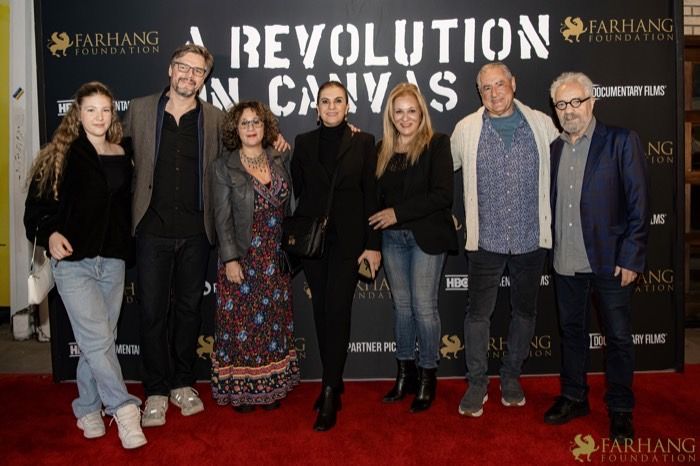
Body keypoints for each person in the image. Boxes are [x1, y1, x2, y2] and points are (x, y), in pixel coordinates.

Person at [24, 82, 146, 449]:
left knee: (101, 339)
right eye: (91, 109)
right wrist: (50, 234)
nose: (99, 116)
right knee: (96, 337)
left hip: (112, 261)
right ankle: (124, 409)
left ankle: (89, 407)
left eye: (105, 109)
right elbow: (35, 211)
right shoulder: (60, 154)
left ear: (113, 113)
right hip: (73, 262)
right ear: (77, 113)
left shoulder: (123, 153)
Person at [543, 72, 649, 443]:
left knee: (617, 337)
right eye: (561, 104)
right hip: (565, 261)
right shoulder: (553, 149)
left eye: (576, 101)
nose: (569, 110)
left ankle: (620, 408)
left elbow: (639, 203)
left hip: (610, 261)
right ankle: (574, 397)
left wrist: (632, 256)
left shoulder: (620, 141)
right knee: (571, 333)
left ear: (592, 102)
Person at [122, 43, 225, 427]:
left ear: (204, 78)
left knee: (188, 311)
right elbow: (110, 150)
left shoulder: (214, 119)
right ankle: (156, 390)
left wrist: (277, 143)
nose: (189, 75)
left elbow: (241, 155)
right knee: (152, 313)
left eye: (198, 71)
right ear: (170, 68)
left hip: (196, 232)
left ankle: (183, 382)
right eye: (183, 66)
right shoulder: (140, 110)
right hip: (151, 230)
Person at [451, 62, 559, 417]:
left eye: (499, 84)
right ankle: (477, 383)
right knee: (477, 315)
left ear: (513, 83)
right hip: (485, 241)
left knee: (524, 312)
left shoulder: (541, 124)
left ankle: (511, 377)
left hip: (531, 239)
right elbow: (438, 166)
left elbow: (570, 155)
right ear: (479, 92)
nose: (494, 93)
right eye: (486, 87)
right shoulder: (466, 129)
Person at [290, 80, 381, 431]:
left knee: (339, 310)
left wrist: (373, 244)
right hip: (313, 244)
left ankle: (329, 389)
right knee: (321, 311)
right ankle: (334, 380)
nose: (331, 107)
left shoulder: (364, 142)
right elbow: (297, 189)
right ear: (317, 108)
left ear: (347, 107)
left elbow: (371, 195)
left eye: (338, 101)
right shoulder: (303, 143)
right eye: (325, 101)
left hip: (349, 243)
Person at [369, 83, 457, 412]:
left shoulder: (437, 144)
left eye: (411, 111)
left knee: (424, 307)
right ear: (390, 116)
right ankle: (405, 375)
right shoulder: (382, 149)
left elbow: (442, 195)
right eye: (399, 112)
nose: (405, 118)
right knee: (402, 308)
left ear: (421, 114)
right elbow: (374, 200)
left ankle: (427, 376)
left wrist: (398, 213)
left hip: (427, 238)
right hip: (392, 240)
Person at [210, 101, 300, 412]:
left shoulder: (279, 157)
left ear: (266, 127)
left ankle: (270, 385)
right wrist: (230, 259)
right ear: (235, 129)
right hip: (243, 256)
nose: (251, 128)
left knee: (272, 324)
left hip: (275, 256)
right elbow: (221, 217)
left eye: (256, 122)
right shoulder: (224, 166)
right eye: (245, 123)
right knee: (241, 325)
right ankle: (243, 388)